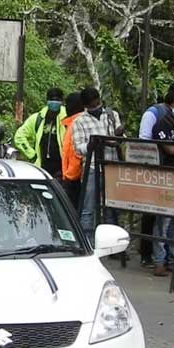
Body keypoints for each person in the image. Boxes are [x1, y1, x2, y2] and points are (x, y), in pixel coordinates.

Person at [72, 87, 123, 241]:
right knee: (88, 208)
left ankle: (112, 244)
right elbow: (78, 148)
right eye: (92, 106)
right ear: (86, 106)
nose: (96, 108)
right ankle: (87, 242)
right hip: (93, 168)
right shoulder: (79, 121)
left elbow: (120, 139)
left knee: (112, 208)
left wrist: (118, 136)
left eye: (97, 104)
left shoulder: (111, 115)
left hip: (111, 166)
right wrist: (91, 145)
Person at [149, 87, 174, 276]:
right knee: (163, 220)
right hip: (165, 179)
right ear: (170, 106)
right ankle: (159, 261)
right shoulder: (162, 125)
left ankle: (173, 260)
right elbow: (171, 150)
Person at [14, 88, 66, 177]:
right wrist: (32, 155)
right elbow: (19, 137)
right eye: (51, 99)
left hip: (62, 169)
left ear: (61, 101)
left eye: (57, 100)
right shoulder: (37, 118)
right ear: (47, 101)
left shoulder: (67, 119)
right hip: (41, 168)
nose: (54, 102)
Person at [60, 92, 84, 207]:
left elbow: (74, 153)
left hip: (75, 178)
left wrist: (69, 176)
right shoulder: (71, 122)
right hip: (73, 176)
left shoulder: (76, 123)